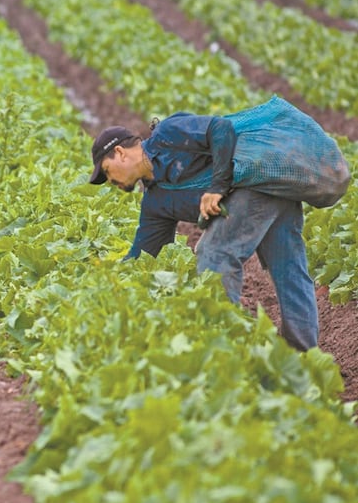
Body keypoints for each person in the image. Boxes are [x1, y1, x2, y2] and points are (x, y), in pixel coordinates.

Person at [88, 106, 328, 351]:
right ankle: (304, 356)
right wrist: (107, 283)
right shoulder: (155, 202)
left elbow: (220, 129)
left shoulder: (167, 134)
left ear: (120, 153)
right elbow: (142, 258)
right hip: (265, 196)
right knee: (288, 265)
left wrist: (217, 187)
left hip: (258, 178)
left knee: (215, 254)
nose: (111, 181)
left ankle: (224, 352)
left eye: (107, 171)